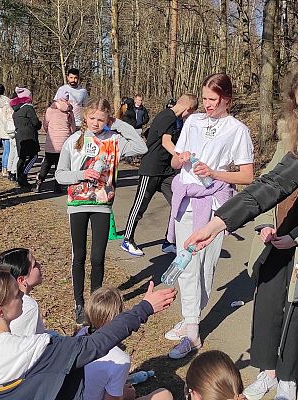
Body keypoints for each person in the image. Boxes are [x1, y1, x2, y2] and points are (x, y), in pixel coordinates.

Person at [182, 57, 298, 399]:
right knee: (267, 306)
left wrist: (297, 236)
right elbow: (270, 184)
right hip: (275, 232)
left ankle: (289, 375)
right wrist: (222, 223)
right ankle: (268, 371)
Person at [0, 269, 176, 399]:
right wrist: (144, 308)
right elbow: (96, 344)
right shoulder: (32, 351)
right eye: (17, 295)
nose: (22, 296)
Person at [165, 73, 254, 360]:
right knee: (186, 260)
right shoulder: (192, 121)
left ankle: (192, 315)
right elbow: (174, 160)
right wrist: (181, 158)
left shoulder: (237, 129)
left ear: (227, 99)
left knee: (205, 266)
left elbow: (247, 175)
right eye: (204, 99)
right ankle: (192, 329)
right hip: (186, 198)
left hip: (216, 203)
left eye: (213, 100)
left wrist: (214, 172)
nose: (207, 105)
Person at [55, 97, 148, 324]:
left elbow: (141, 146)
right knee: (80, 256)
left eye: (101, 119)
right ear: (85, 117)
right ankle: (79, 303)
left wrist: (118, 124)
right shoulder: (74, 140)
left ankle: (95, 304)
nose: (96, 123)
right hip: (77, 205)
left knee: (97, 258)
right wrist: (81, 175)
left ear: (108, 119)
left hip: (102, 206)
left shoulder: (114, 140)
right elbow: (60, 175)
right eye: (92, 118)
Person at [121, 94, 198, 256]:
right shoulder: (167, 116)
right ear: (188, 109)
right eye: (190, 113)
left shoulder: (177, 120)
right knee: (140, 205)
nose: (188, 117)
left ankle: (169, 241)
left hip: (167, 170)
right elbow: (166, 142)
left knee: (179, 201)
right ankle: (127, 239)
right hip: (151, 168)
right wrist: (180, 155)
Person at [77, 286, 173, 400]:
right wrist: (125, 396)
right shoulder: (120, 359)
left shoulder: (79, 336)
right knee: (165, 395)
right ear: (120, 317)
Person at [0, 248, 45, 336]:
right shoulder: (27, 306)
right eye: (34, 265)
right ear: (22, 280)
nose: (39, 265)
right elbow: (25, 345)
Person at [35, 96, 76, 193]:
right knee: (60, 165)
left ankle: (39, 183)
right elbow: (73, 128)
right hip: (64, 143)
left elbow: (45, 125)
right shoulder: (69, 111)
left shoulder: (50, 110)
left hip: (52, 142)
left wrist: (50, 132)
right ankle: (57, 186)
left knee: (47, 163)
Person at [11, 87, 42, 188]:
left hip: (19, 135)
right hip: (29, 136)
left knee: (22, 157)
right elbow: (36, 123)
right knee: (34, 156)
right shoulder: (28, 108)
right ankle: (23, 176)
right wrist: (39, 124)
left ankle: (18, 177)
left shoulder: (16, 109)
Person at [0, 87, 13, 177]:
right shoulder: (8, 104)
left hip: (2, 130)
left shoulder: (1, 105)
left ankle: (4, 168)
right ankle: (5, 169)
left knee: (5, 151)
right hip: (7, 131)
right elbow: (9, 118)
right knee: (7, 151)